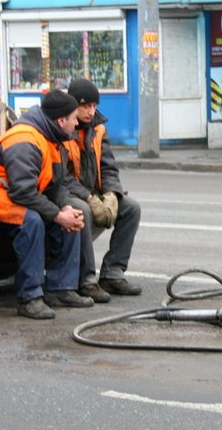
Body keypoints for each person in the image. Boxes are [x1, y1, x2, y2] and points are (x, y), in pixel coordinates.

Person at [0, 90, 93, 320]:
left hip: (10, 195)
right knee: (32, 221)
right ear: (61, 121)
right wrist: (57, 215)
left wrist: (65, 208)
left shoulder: (52, 139)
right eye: (73, 118)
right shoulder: (25, 140)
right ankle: (30, 297)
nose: (76, 123)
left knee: (71, 216)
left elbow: (55, 184)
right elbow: (22, 191)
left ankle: (61, 289)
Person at [62, 78, 143, 302]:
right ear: (73, 106)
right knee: (83, 212)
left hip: (94, 192)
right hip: (68, 194)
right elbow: (60, 177)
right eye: (86, 106)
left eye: (94, 106)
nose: (91, 111)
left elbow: (108, 167)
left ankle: (112, 273)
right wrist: (88, 197)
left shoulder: (98, 129)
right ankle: (86, 280)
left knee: (131, 209)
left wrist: (112, 194)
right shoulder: (63, 128)